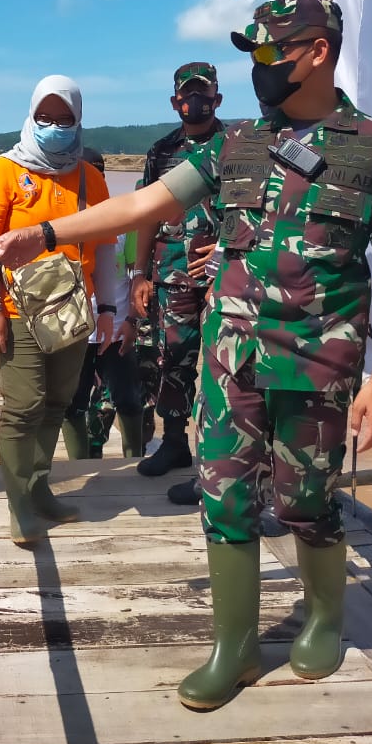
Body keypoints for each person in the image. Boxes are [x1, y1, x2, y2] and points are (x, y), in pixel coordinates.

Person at [0, 0, 372, 709]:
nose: (259, 68)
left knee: (307, 502)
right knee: (226, 498)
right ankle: (234, 646)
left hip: (320, 362)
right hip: (231, 359)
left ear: (317, 52)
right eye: (252, 54)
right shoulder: (234, 144)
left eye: (271, 52)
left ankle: (326, 621)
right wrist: (48, 236)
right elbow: (144, 206)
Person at [0, 75, 118, 546]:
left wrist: (109, 307)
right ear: (31, 116)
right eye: (45, 117)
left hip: (72, 311)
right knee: (24, 406)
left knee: (57, 403)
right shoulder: (4, 171)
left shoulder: (91, 179)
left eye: (64, 118)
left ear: (78, 121)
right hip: (16, 310)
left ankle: (39, 488)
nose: (54, 126)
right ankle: (18, 506)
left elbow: (107, 247)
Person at [130, 62, 226, 495]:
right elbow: (145, 214)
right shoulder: (161, 152)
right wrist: (139, 273)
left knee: (226, 369)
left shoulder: (237, 148)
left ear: (217, 99)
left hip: (226, 278)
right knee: (174, 361)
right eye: (187, 93)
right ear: (175, 101)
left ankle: (220, 460)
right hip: (172, 277)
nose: (195, 100)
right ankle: (173, 444)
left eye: (203, 93)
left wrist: (228, 244)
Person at [61, 148, 145, 460]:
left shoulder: (123, 221)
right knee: (72, 403)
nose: (87, 179)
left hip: (117, 328)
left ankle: (133, 460)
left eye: (95, 172)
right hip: (76, 331)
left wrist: (132, 322)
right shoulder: (63, 221)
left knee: (128, 399)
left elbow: (138, 276)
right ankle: (78, 465)